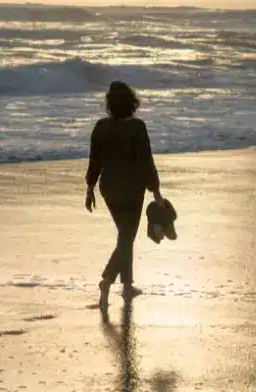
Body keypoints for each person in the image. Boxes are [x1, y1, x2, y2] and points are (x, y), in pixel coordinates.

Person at [85, 81, 164, 309]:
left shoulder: (101, 127)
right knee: (127, 237)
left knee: (125, 235)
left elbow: (94, 161)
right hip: (131, 189)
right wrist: (156, 192)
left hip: (109, 188)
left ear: (110, 104)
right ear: (132, 102)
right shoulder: (137, 127)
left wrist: (90, 189)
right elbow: (145, 163)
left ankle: (127, 285)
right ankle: (108, 280)